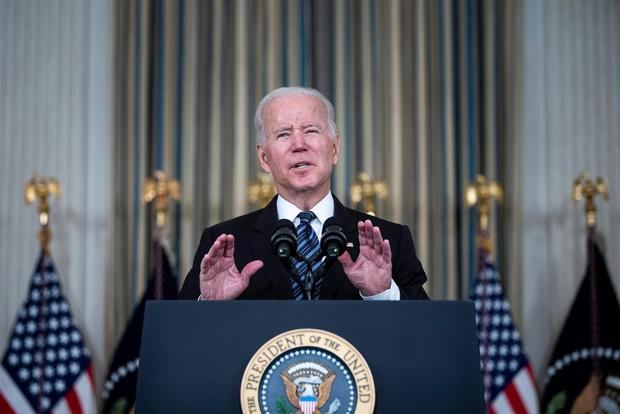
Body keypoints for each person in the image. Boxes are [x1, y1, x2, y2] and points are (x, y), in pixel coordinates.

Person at [179, 86, 428, 301]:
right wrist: (209, 308)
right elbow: (180, 341)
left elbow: (427, 337)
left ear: (335, 149)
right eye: (283, 134)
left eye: (311, 130)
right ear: (264, 158)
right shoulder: (225, 245)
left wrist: (382, 293)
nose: (299, 145)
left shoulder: (389, 240)